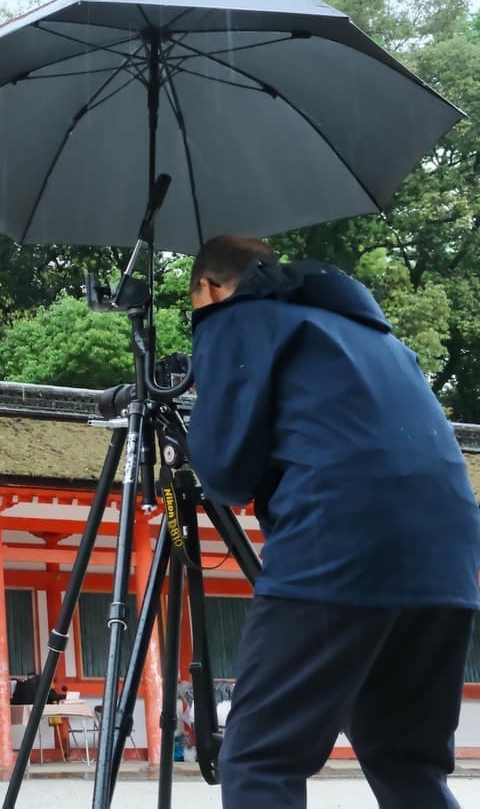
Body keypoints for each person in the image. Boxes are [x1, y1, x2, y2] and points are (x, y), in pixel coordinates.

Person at [186, 235, 480, 809]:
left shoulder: (236, 318)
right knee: (407, 759)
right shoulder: (376, 334)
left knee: (258, 756)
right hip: (447, 553)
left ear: (210, 288)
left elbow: (225, 474)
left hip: (339, 541)